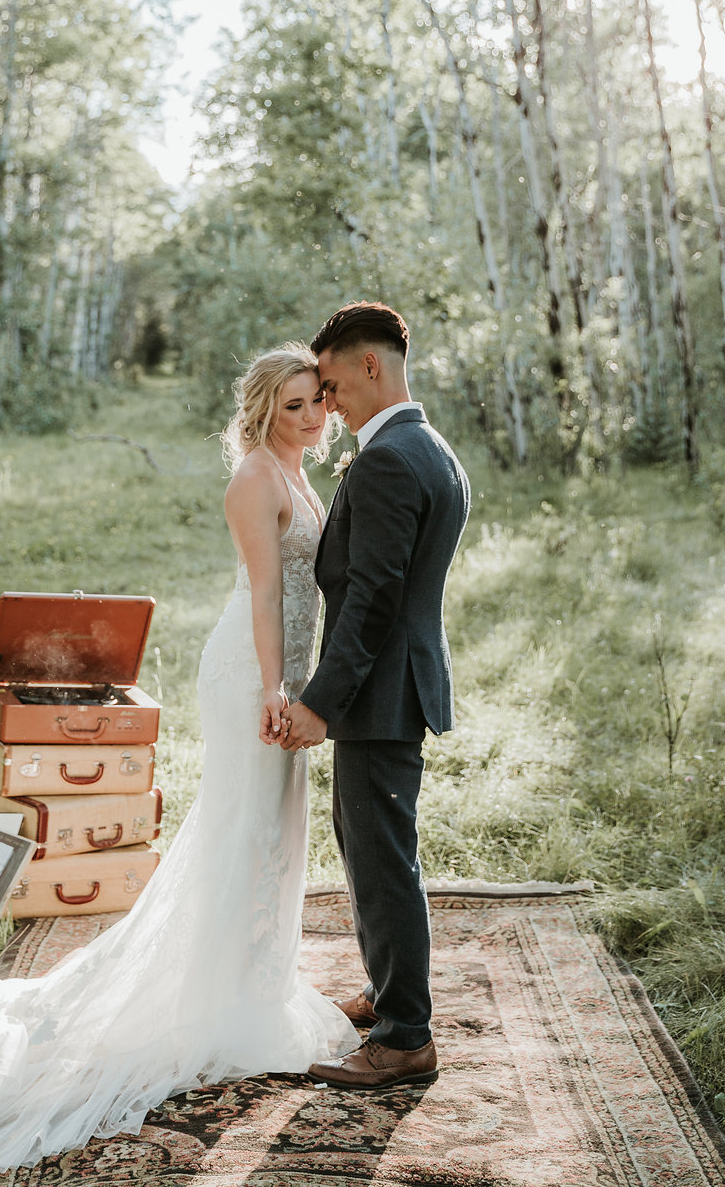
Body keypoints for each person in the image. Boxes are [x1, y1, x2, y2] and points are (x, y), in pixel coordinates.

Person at [0, 344, 357, 1170]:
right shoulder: (253, 479)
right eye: (293, 406)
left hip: (284, 673)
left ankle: (253, 985)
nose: (313, 417)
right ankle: (224, 998)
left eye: (317, 400)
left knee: (274, 833)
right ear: (261, 411)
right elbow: (266, 597)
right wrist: (277, 691)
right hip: (253, 673)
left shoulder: (299, 469)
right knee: (246, 830)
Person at [282, 301, 470, 1091]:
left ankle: (404, 1038)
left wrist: (321, 700)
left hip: (379, 690)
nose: (327, 405)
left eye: (330, 385)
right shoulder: (430, 447)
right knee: (368, 847)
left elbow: (374, 597)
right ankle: (387, 993)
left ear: (370, 366)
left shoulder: (391, 457)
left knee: (385, 860)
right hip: (395, 684)